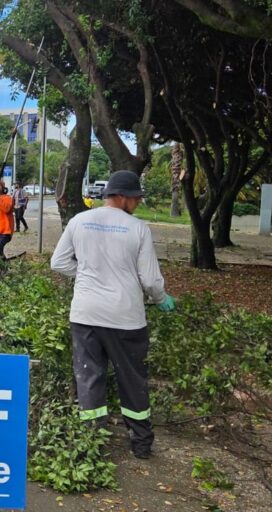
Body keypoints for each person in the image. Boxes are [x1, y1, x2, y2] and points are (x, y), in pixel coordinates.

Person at [50, 170, 176, 460]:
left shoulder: (79, 221)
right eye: (134, 198)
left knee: (89, 377)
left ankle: (92, 442)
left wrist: (84, 275)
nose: (137, 203)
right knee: (132, 377)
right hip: (126, 317)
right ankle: (141, 443)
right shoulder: (138, 228)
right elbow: (151, 281)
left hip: (85, 314)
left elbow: (58, 263)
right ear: (120, 197)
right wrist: (161, 299)